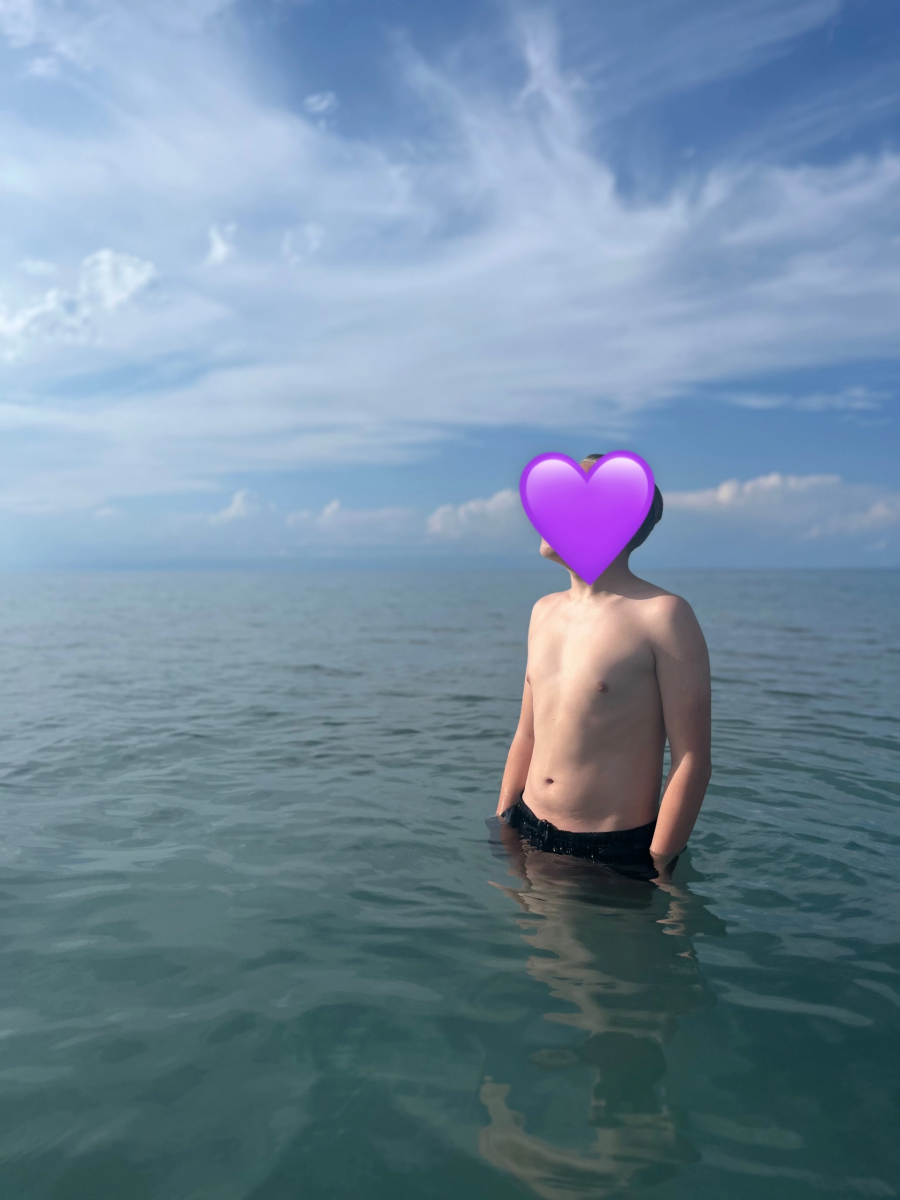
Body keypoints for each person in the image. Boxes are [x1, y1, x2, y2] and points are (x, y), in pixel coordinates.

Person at [495, 452, 711, 880]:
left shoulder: (663, 615)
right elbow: (527, 734)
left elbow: (692, 759)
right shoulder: (543, 611)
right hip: (526, 826)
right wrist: (504, 822)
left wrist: (659, 865)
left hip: (609, 850)